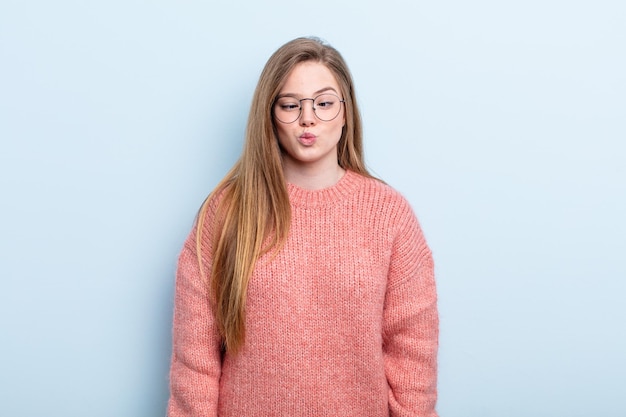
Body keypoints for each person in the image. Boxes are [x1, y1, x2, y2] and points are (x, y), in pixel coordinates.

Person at [167, 37, 439, 416]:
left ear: (346, 113)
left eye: (324, 103)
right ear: (270, 114)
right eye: (290, 105)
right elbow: (195, 358)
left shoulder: (389, 214)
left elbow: (412, 351)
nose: (307, 118)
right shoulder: (227, 212)